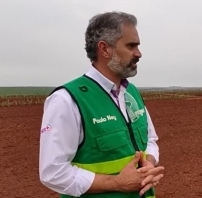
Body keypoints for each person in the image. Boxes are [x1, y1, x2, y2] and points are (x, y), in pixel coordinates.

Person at [39, 11, 164, 198]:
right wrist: (117, 183)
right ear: (104, 49)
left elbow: (150, 140)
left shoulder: (132, 93)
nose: (138, 53)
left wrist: (150, 163)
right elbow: (53, 172)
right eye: (131, 46)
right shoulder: (67, 100)